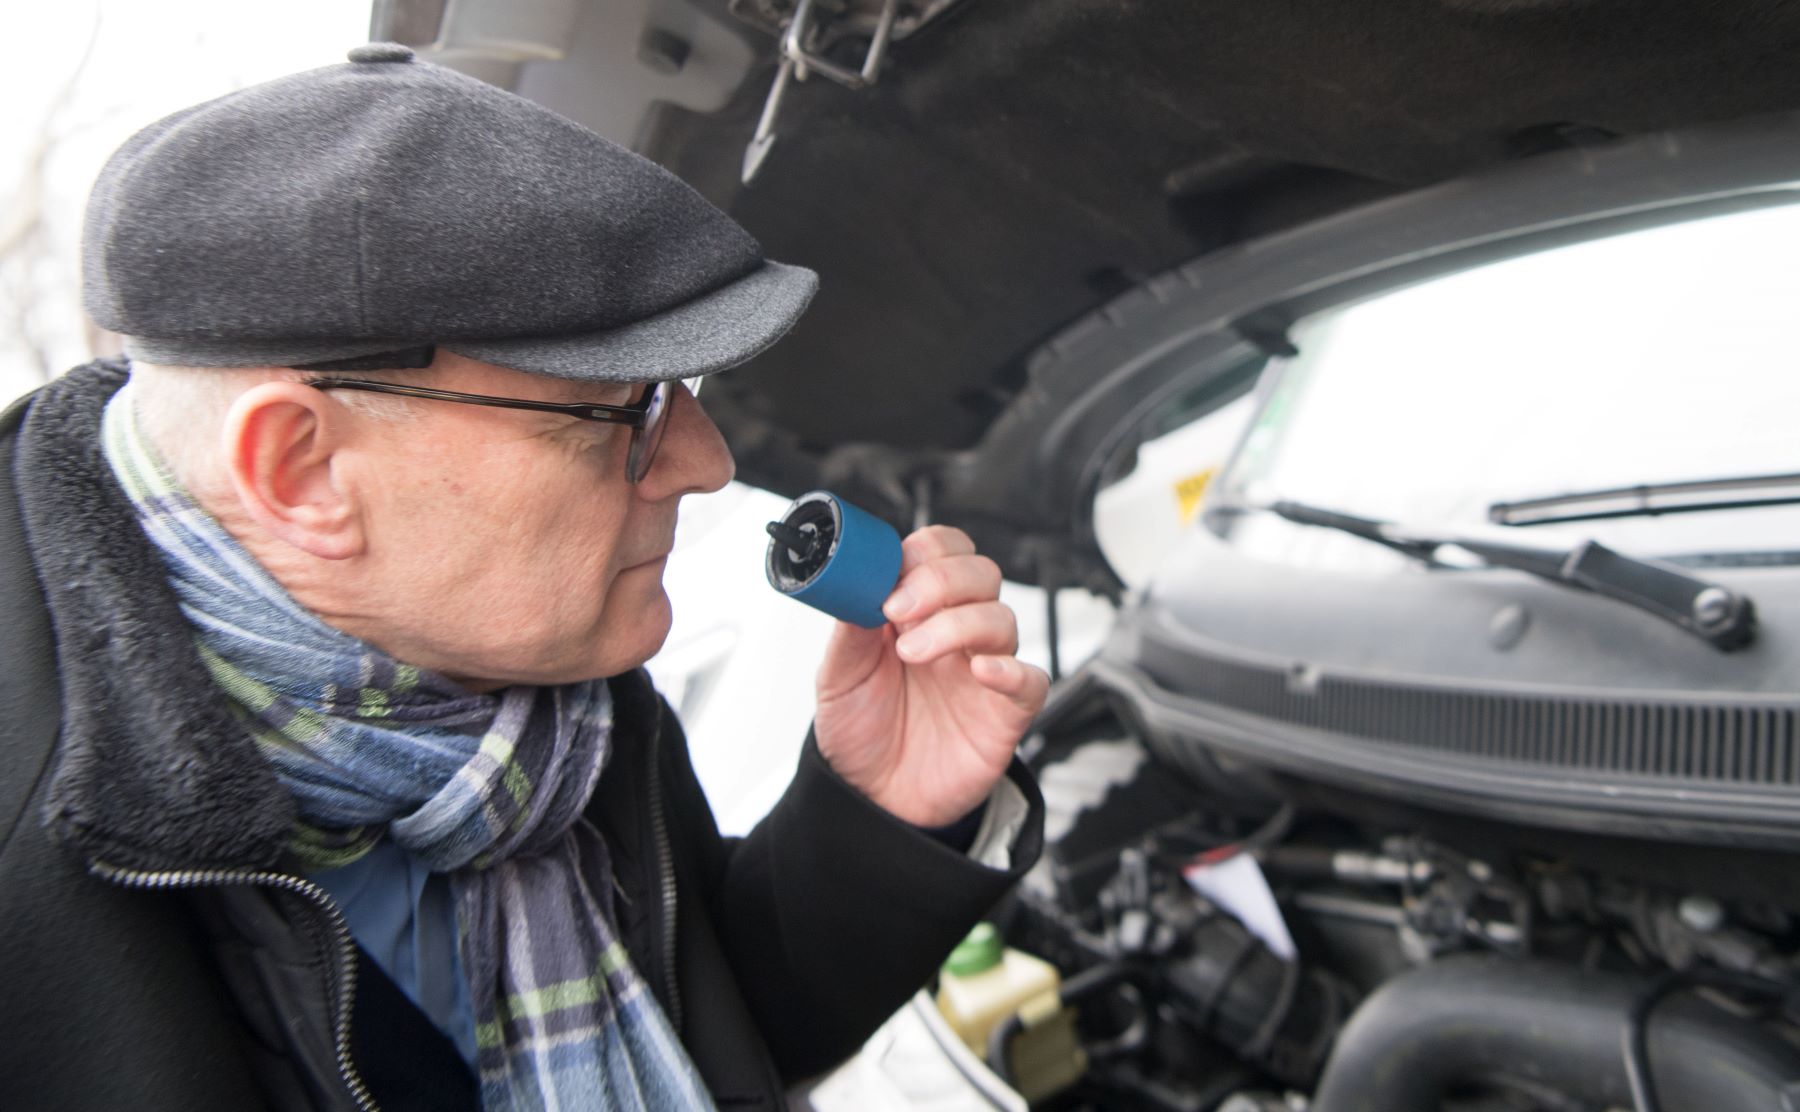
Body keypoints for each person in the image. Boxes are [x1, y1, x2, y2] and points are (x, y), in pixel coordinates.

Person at [0, 43, 1047, 1112]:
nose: (707, 461)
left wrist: (881, 815)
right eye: (619, 410)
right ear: (302, 470)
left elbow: (715, 1029)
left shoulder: (535, 687)